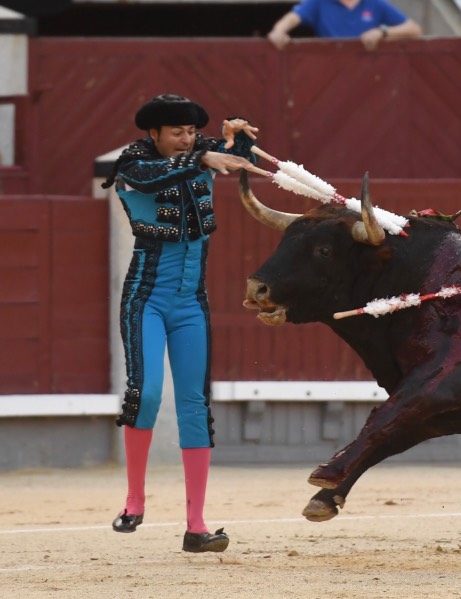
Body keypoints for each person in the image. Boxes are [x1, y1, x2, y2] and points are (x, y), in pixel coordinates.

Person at [101, 94, 259, 553]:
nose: (186, 139)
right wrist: (204, 154)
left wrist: (238, 139)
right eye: (177, 132)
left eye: (191, 132)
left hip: (191, 302)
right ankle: (134, 499)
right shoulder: (135, 162)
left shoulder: (197, 154)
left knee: (194, 404)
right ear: (155, 134)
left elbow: (233, 159)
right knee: (146, 393)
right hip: (146, 299)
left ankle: (196, 525)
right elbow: (155, 175)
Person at [267, 0, 422, 51]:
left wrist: (382, 32)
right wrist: (278, 31)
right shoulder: (319, 2)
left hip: (372, 74)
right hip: (329, 73)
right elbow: (293, 17)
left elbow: (414, 29)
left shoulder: (374, 3)